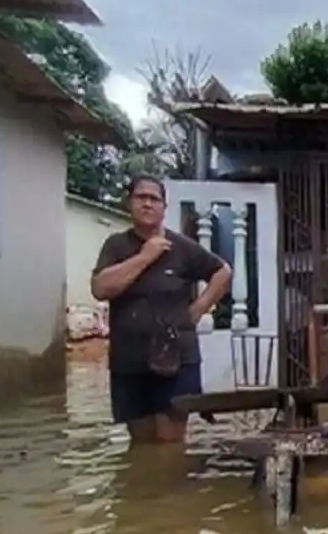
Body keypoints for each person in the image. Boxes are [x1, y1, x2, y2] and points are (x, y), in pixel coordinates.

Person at [90, 175, 232, 444]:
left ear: (164, 207)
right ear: (129, 203)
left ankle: (171, 485)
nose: (147, 203)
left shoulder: (183, 248)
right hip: (130, 360)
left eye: (154, 198)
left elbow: (223, 272)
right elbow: (100, 288)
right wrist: (145, 256)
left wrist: (199, 308)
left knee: (170, 444)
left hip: (177, 359)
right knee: (141, 445)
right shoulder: (116, 246)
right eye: (140, 197)